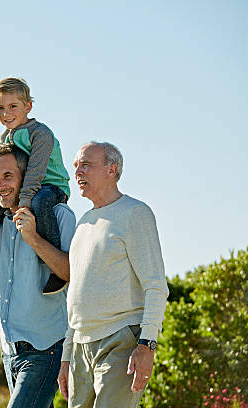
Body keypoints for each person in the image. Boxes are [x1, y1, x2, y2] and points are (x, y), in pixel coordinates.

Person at [0, 144, 76, 407]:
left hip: (47, 349)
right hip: (10, 353)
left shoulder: (58, 215)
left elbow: (71, 273)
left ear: (27, 177)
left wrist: (33, 238)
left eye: (7, 176)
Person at [57, 142, 169, 407]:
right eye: (75, 166)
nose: (77, 172)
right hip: (81, 347)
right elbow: (76, 297)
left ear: (112, 169)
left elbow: (155, 285)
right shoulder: (83, 223)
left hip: (121, 340)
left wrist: (147, 345)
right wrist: (66, 357)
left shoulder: (135, 213)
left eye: (85, 164)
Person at [0, 77, 71, 307]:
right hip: (24, 191)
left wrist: (23, 205)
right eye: (0, 108)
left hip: (50, 187)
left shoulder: (40, 134)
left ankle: (54, 269)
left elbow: (34, 174)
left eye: (13, 107)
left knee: (40, 201)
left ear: (28, 107)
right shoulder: (2, 140)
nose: (6, 113)